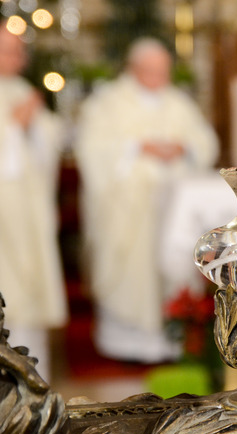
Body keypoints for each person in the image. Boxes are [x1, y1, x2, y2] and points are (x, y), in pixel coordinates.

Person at [75, 38, 218, 362]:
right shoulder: (108, 102)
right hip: (128, 207)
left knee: (171, 265)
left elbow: (204, 140)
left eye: (163, 71)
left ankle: (172, 340)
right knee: (131, 272)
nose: (159, 77)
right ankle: (125, 341)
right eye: (151, 71)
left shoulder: (178, 102)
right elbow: (93, 149)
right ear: (134, 68)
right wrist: (137, 148)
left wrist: (184, 148)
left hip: (172, 205)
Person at [0, 22, 66, 381]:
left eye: (18, 50)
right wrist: (12, 127)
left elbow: (49, 139)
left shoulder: (20, 87)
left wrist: (35, 127)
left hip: (28, 206)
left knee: (29, 281)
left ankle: (34, 375)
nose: (18, 58)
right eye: (8, 50)